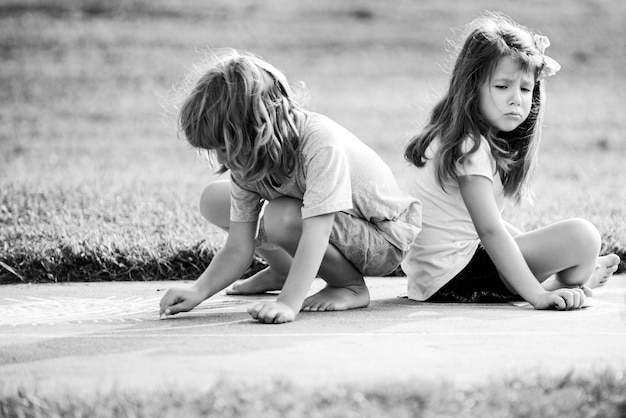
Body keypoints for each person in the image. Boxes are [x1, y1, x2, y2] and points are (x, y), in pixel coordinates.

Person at [159, 49, 422, 323]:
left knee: (282, 215)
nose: (223, 159)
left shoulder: (319, 143)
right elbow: (239, 246)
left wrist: (287, 302)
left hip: (383, 238)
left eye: (226, 147)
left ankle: (349, 286)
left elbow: (316, 232)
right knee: (215, 198)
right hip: (336, 230)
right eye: (216, 150)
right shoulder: (248, 157)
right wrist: (197, 291)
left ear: (259, 129)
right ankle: (284, 270)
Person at [401, 12, 620, 309]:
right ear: (471, 87)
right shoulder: (470, 147)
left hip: (440, 275)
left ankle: (571, 281)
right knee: (583, 237)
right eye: (502, 87)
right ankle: (558, 285)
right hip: (456, 275)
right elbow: (489, 231)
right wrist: (537, 296)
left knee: (568, 244)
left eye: (526, 88)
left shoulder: (464, 137)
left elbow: (491, 227)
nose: (516, 99)